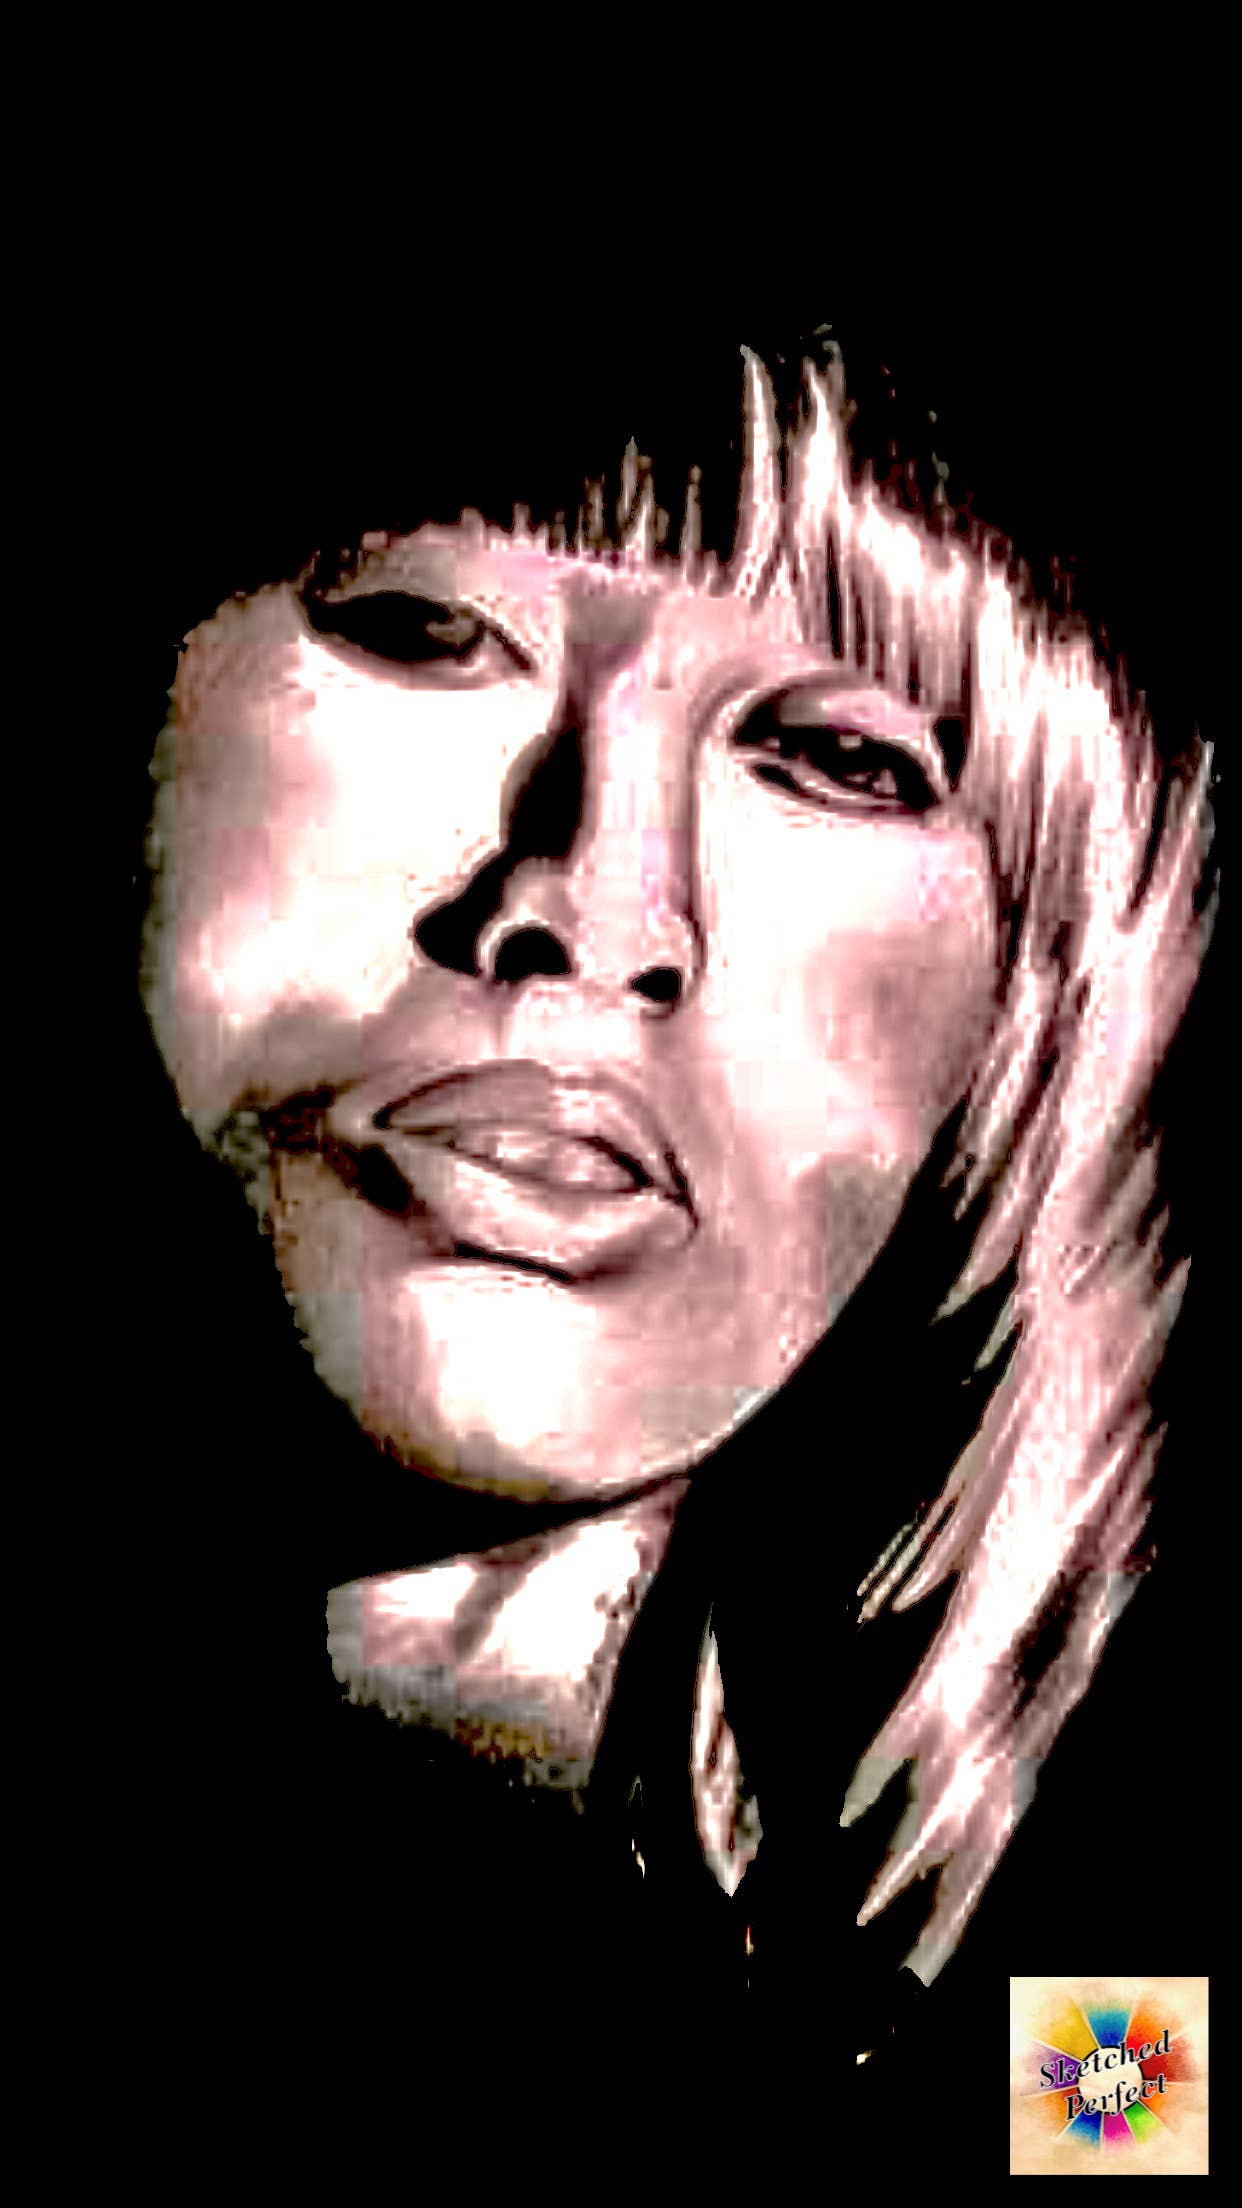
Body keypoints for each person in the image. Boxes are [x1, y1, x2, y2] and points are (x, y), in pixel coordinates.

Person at [131, 314, 1218, 2116]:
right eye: (431, 631)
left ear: (1036, 1021)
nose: (593, 904)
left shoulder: (1098, 2017)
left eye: (837, 757)